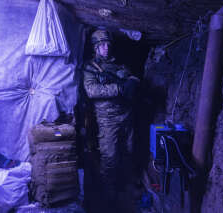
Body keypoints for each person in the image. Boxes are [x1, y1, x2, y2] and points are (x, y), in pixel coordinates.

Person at [82, 29, 140, 213]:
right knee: (110, 156)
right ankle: (108, 196)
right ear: (95, 47)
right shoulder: (90, 67)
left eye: (108, 44)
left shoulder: (118, 65)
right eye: (102, 45)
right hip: (108, 119)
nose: (106, 48)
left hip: (126, 115)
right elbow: (91, 91)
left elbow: (131, 78)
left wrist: (132, 81)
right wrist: (118, 88)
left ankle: (126, 187)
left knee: (129, 151)